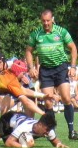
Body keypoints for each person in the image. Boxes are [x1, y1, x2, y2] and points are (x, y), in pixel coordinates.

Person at [25, 9, 78, 140]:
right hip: (46, 70)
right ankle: (52, 132)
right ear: (40, 20)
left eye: (48, 20)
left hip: (60, 68)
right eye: (43, 21)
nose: (46, 23)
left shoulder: (61, 31)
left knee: (66, 98)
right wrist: (31, 67)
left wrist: (72, 66)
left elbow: (73, 48)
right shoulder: (36, 34)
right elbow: (28, 51)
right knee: (48, 103)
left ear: (52, 19)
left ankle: (71, 131)